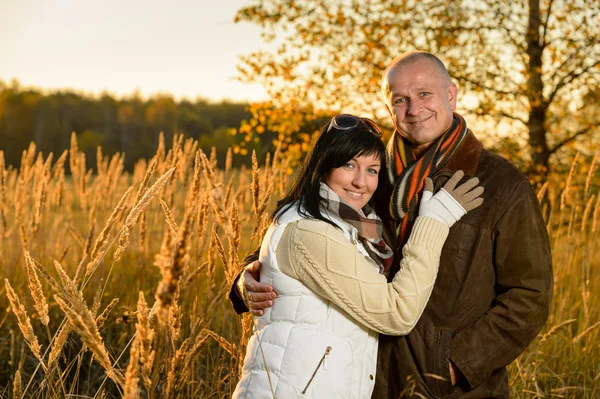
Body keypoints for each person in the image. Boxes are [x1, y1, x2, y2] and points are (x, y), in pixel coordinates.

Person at [231, 51, 553, 398]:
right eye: (401, 100)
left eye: (425, 94)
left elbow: (530, 295)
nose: (414, 110)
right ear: (389, 108)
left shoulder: (500, 184)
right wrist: (248, 279)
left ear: (451, 94)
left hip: (450, 389)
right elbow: (304, 237)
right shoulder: (368, 175)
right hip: (367, 381)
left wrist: (457, 363)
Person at [232, 114, 484, 399]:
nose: (360, 182)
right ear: (323, 165)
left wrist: (246, 278)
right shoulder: (310, 231)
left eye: (373, 170)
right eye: (349, 165)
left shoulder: (358, 226)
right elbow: (397, 314)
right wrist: (434, 222)